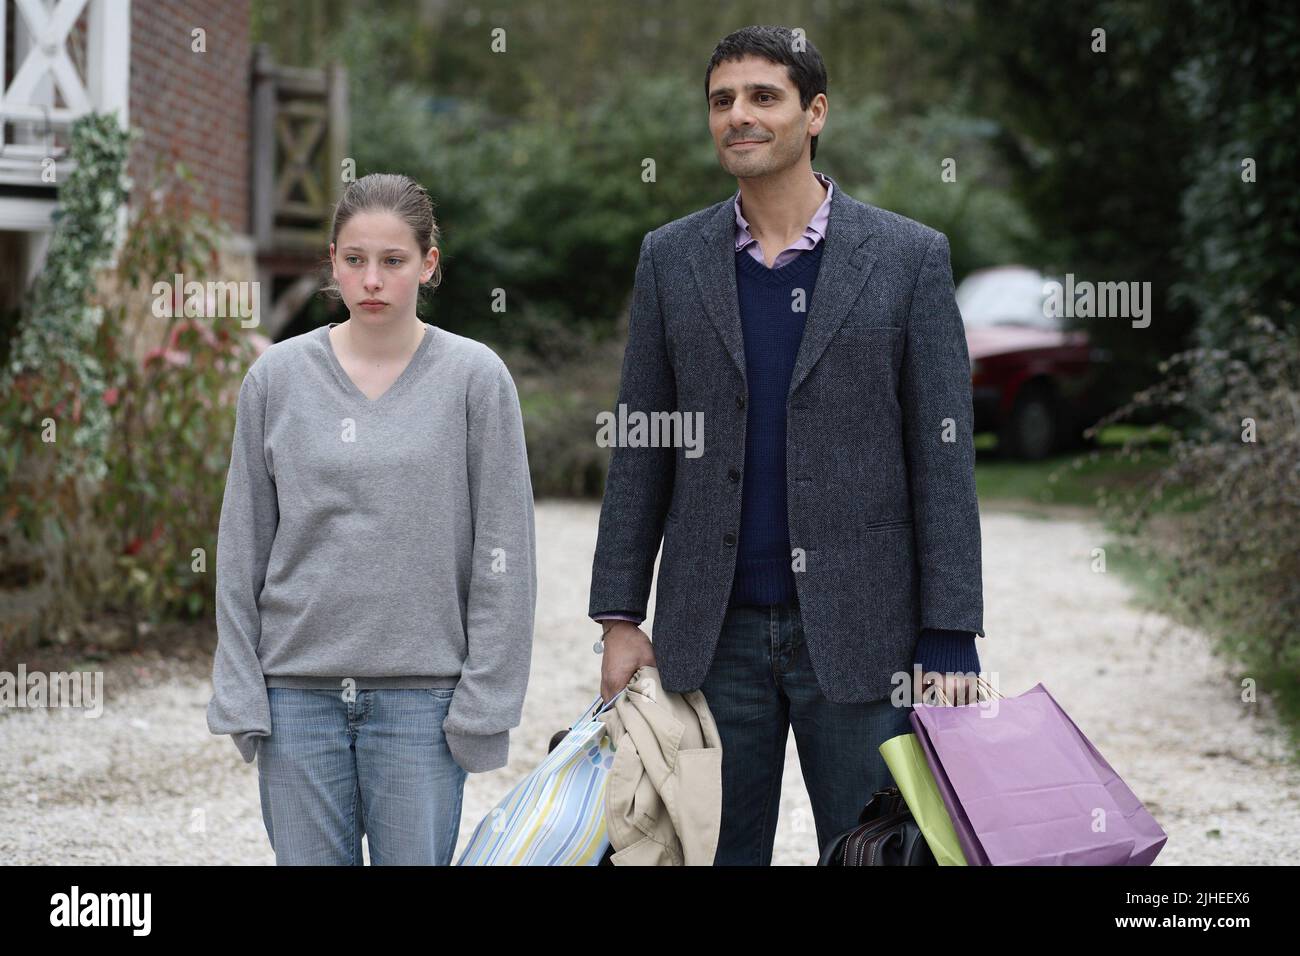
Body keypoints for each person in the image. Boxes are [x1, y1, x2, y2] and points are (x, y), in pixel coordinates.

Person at [588, 26, 985, 865]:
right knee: (714, 855)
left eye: (763, 96)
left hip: (866, 627)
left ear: (815, 113)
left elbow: (942, 454)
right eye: (722, 100)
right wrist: (619, 615)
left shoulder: (909, 259)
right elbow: (642, 447)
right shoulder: (670, 259)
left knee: (876, 850)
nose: (739, 115)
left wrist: (950, 629)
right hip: (712, 632)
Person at [206, 173, 537, 865]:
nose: (373, 279)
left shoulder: (475, 380)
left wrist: (484, 705)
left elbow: (505, 555)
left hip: (424, 704)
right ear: (333, 262)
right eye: (355, 260)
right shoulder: (277, 380)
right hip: (296, 699)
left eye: (393, 260)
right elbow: (242, 546)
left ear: (429, 263)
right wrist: (242, 693)